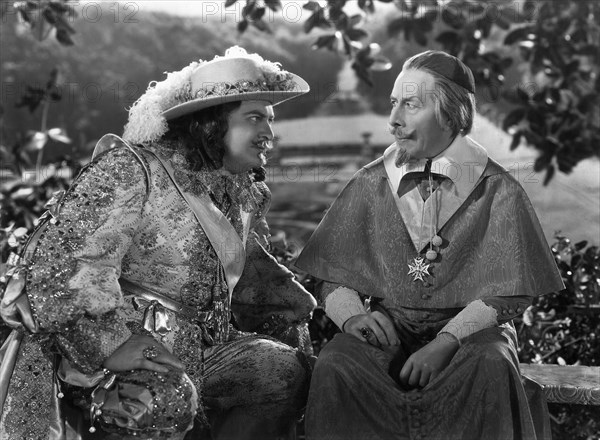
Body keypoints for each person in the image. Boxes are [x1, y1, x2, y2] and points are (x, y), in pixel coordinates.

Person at [0, 46, 316, 440]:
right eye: (254, 118)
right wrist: (111, 345)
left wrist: (293, 308)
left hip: (201, 354)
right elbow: (62, 265)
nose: (268, 133)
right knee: (160, 398)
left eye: (270, 119)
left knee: (283, 372)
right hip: (112, 359)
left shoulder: (238, 192)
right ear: (210, 124)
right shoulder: (134, 170)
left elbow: (245, 271)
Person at [295, 50, 564, 440]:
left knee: (491, 363)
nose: (393, 121)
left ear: (451, 114)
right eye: (393, 104)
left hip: (472, 339)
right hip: (389, 332)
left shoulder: (498, 190)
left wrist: (446, 341)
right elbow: (334, 275)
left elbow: (512, 291)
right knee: (336, 360)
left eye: (411, 105)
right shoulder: (371, 184)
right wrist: (352, 316)